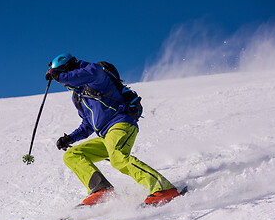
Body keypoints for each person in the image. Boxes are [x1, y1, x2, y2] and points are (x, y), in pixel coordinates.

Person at [45, 53, 182, 206]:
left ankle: (163, 189)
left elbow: (91, 73)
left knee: (118, 158)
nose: (62, 81)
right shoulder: (78, 96)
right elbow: (88, 124)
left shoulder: (95, 74)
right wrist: (71, 138)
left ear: (69, 68)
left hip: (121, 124)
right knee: (72, 155)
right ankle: (101, 190)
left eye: (63, 74)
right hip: (106, 136)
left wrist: (60, 76)